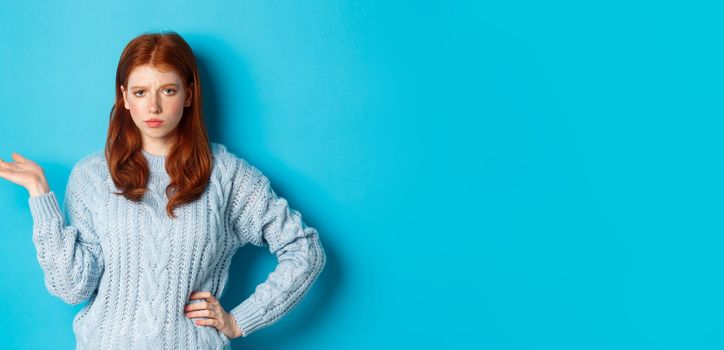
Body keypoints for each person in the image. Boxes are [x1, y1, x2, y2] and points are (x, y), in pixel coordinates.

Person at [0, 31, 326, 349]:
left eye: (168, 91)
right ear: (124, 97)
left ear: (189, 94)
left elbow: (304, 249)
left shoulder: (227, 175)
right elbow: (73, 288)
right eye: (141, 92)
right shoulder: (92, 175)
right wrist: (40, 194)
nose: (153, 106)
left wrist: (240, 320)